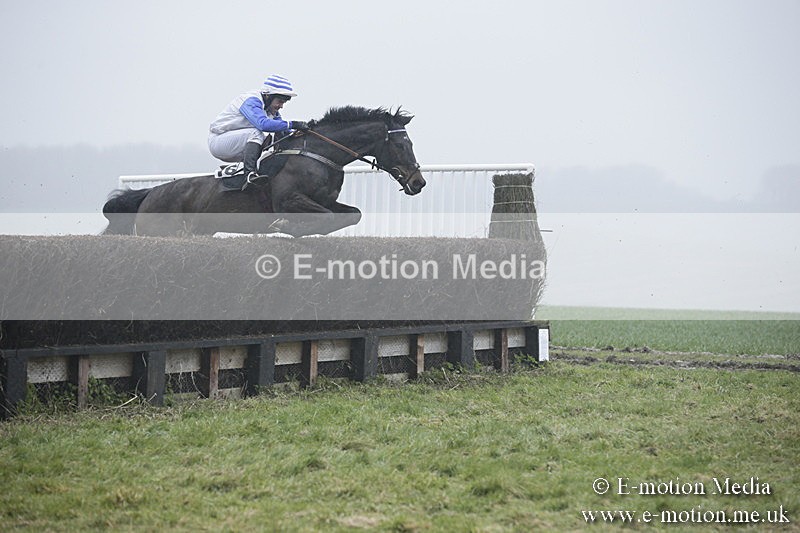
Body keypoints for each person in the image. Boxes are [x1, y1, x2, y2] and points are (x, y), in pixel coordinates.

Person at [208, 74, 310, 179]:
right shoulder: (251, 100)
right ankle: (249, 174)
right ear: (268, 96)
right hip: (218, 142)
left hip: (237, 146)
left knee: (273, 139)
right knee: (256, 133)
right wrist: (293, 124)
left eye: (283, 102)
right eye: (280, 101)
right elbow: (263, 124)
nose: (281, 106)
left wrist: (302, 131)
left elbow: (284, 132)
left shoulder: (271, 110)